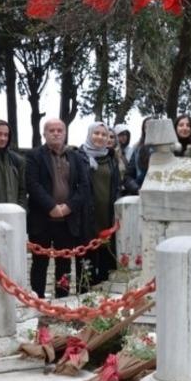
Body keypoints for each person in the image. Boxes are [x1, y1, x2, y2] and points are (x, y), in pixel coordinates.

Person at [27, 118, 90, 298]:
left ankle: (62, 299)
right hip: (42, 218)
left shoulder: (76, 157)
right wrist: (51, 206)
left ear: (65, 133)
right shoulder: (34, 156)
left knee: (64, 262)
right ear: (44, 134)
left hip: (67, 220)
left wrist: (68, 207)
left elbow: (84, 186)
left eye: (59, 130)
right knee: (40, 262)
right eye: (51, 130)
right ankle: (37, 299)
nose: (55, 133)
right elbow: (33, 184)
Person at [79, 122, 121, 286]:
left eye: (104, 135)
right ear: (90, 134)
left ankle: (103, 293)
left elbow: (116, 185)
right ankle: (85, 293)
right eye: (96, 133)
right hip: (87, 216)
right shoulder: (79, 157)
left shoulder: (110, 160)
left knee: (105, 257)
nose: (100, 137)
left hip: (106, 215)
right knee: (87, 258)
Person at [124, 117, 153, 194]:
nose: (150, 129)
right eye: (147, 127)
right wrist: (136, 189)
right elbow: (128, 175)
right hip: (141, 191)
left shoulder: (168, 148)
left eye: (153, 126)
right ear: (144, 130)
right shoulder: (137, 149)